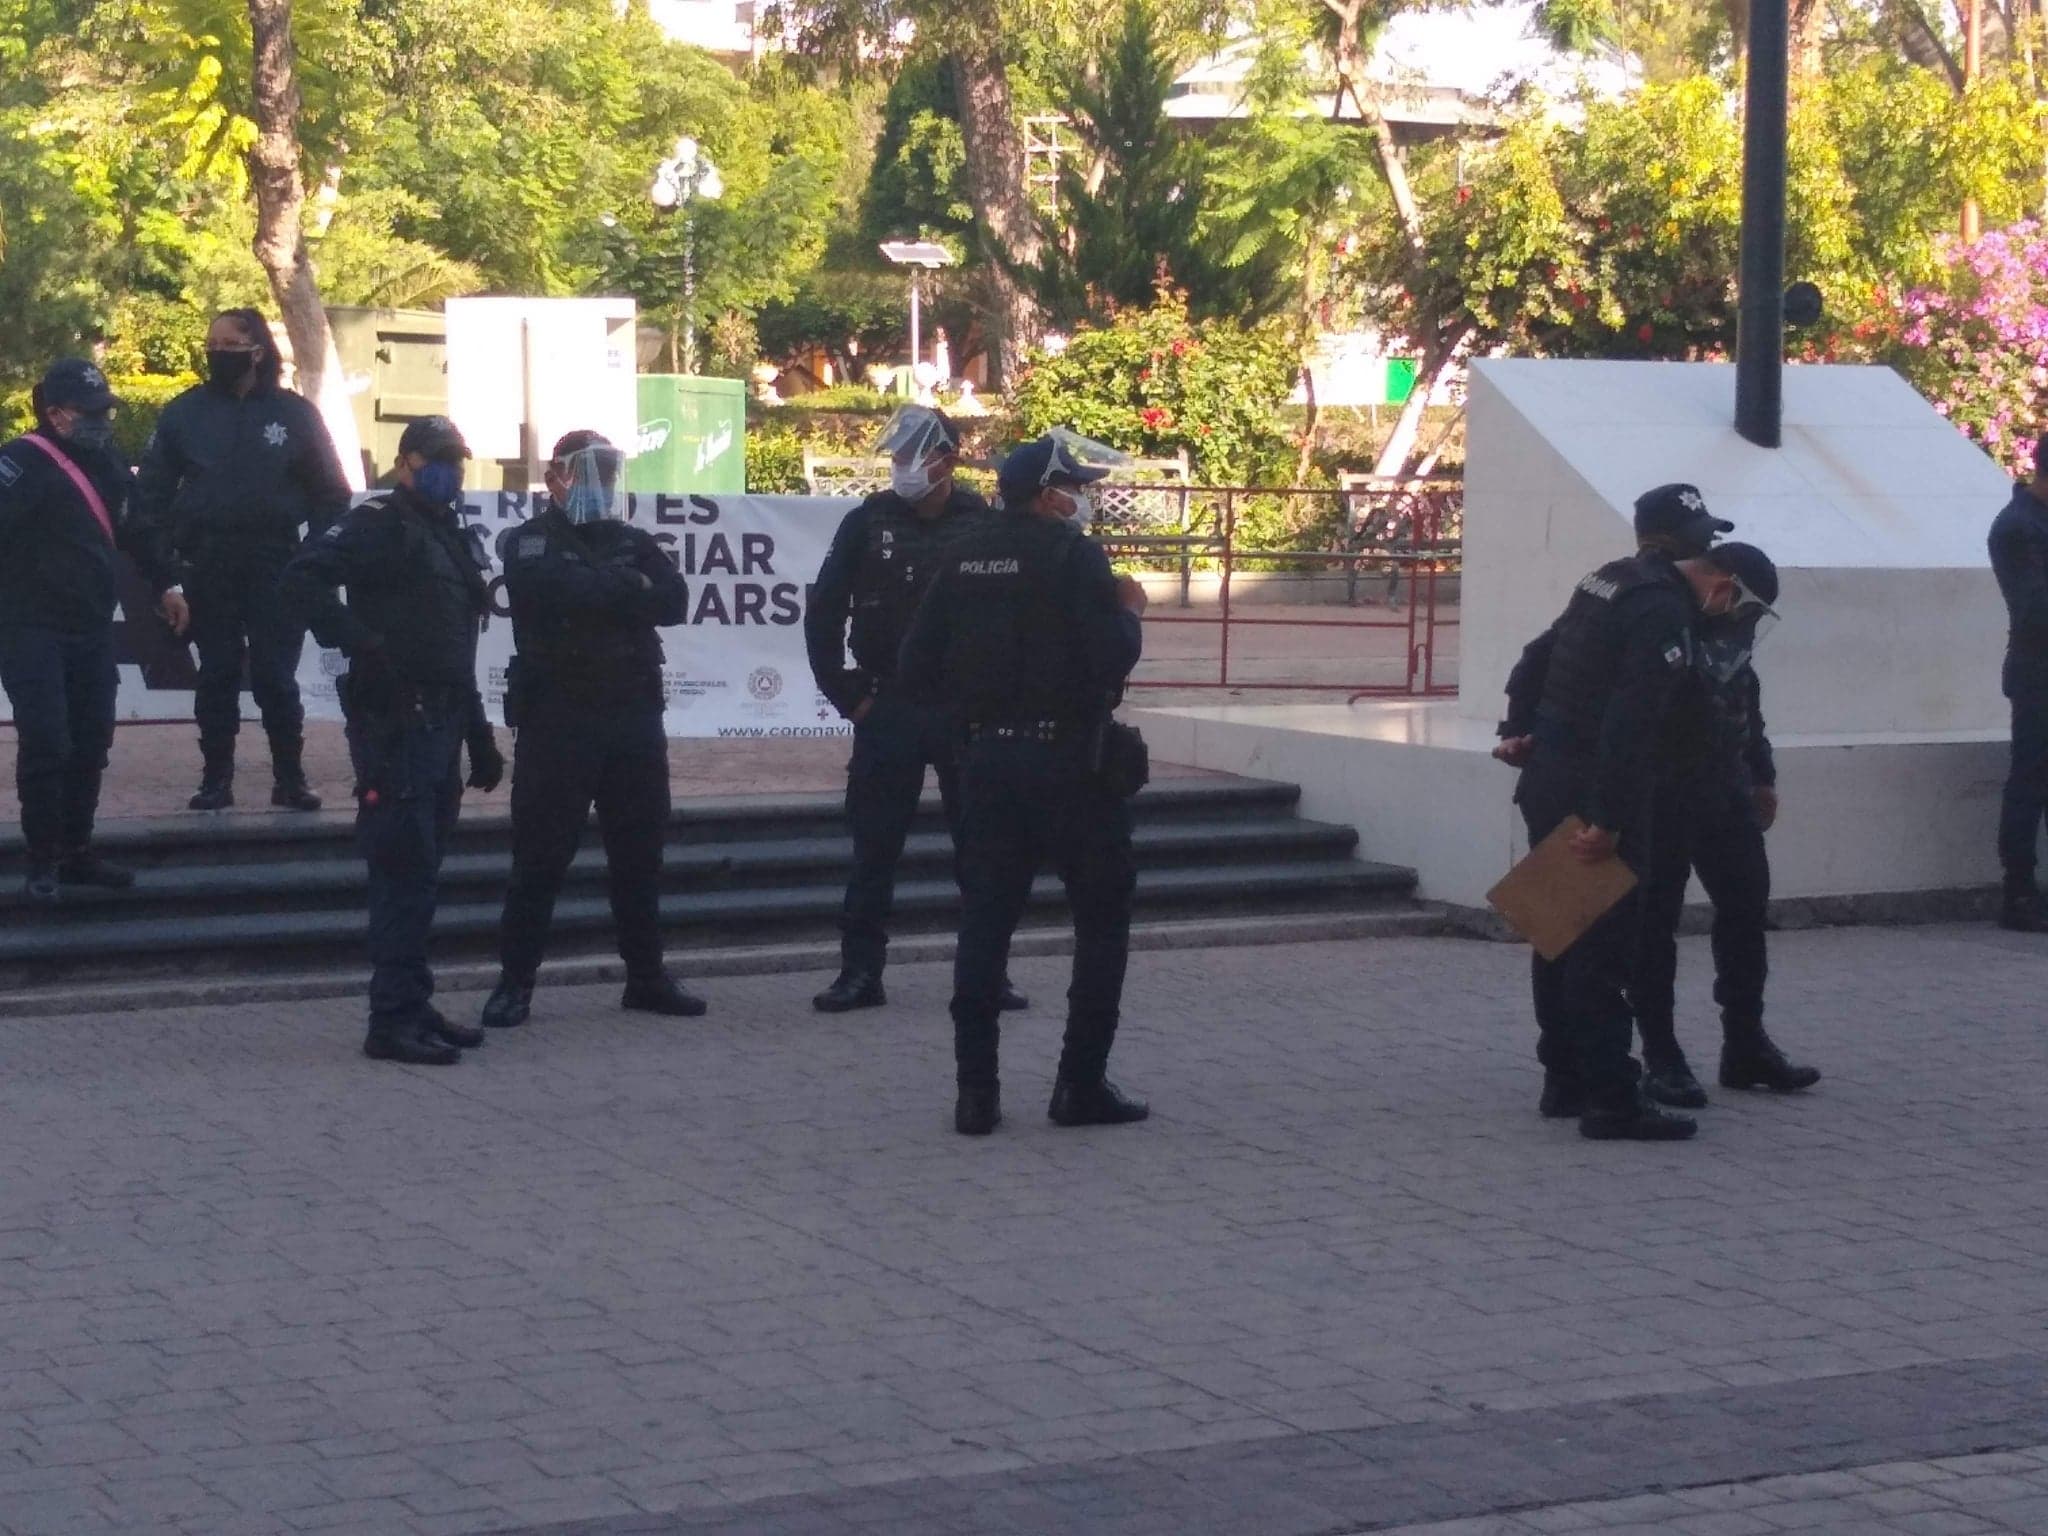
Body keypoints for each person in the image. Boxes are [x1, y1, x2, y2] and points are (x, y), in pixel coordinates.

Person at [1498, 485, 1818, 1111]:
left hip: (1685, 784)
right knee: (1605, 936)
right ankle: (1626, 1077)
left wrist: (1761, 774)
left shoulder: (1641, 594)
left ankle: (1598, 1076)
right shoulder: (1656, 608)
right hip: (1642, 791)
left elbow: (1741, 701)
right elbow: (1625, 715)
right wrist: (1609, 815)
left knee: (1586, 931)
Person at [899, 431, 1149, 1136]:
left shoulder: (962, 554)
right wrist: (1130, 613)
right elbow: (1110, 657)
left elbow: (917, 665)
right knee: (1100, 922)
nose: (1084, 501)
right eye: (1076, 489)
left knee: (984, 923)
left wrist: (978, 710)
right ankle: (1080, 1085)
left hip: (986, 765)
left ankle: (976, 1096)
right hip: (1070, 766)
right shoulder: (1073, 555)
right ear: (1047, 496)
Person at [279, 416, 504, 1065]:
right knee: (401, 870)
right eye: (435, 460)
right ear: (403, 463)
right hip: (394, 726)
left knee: (423, 874)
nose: (449, 472)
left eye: (456, 461)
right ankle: (390, 1019)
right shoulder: (377, 524)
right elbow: (301, 579)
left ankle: (412, 1001)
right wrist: (361, 643)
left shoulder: (447, 534)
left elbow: (455, 648)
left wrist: (479, 736)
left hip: (442, 721)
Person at [476, 431, 705, 1031]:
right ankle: (515, 984)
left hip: (632, 716)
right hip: (559, 719)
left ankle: (646, 978)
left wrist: (614, 592)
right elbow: (548, 591)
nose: (600, 484)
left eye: (609, 472)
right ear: (555, 477)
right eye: (588, 472)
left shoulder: (632, 539)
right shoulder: (528, 540)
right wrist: (630, 590)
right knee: (540, 858)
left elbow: (676, 601)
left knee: (640, 854)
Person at [804, 405, 1026, 1015]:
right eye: (896, 456)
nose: (901, 467)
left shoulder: (984, 522)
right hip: (889, 706)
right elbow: (823, 611)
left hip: (965, 708)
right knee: (874, 848)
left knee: (980, 847)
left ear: (946, 459)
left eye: (912, 455)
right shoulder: (866, 520)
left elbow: (1015, 613)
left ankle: (988, 974)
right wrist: (850, 697)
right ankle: (859, 974)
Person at [133, 309, 352, 813]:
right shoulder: (183, 414)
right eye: (210, 342)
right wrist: (167, 572)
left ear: (256, 351)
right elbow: (151, 498)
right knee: (217, 673)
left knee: (277, 676)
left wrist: (315, 556)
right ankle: (216, 780)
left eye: (228, 343)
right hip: (208, 562)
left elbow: (331, 494)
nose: (215, 352)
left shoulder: (295, 415)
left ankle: (290, 778)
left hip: (278, 560)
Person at [0, 360, 187, 901]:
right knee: (47, 741)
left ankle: (76, 851)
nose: (103, 421)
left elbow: (138, 528)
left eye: (106, 410)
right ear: (55, 414)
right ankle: (42, 862)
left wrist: (168, 583)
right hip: (29, 628)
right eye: (92, 413)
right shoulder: (17, 465)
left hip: (89, 626)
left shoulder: (106, 461)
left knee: (90, 741)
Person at [1988, 432, 2048, 931]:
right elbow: (2035, 608)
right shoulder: (2018, 527)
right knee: (2031, 777)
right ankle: (2020, 892)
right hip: (2038, 671)